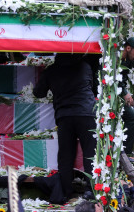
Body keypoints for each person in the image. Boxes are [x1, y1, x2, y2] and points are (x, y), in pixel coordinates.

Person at [33, 54, 97, 202]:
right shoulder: (85, 66)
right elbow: (92, 86)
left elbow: (38, 92)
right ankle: (91, 190)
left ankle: (65, 191)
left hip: (65, 115)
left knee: (66, 155)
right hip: (86, 113)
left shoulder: (52, 70)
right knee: (90, 152)